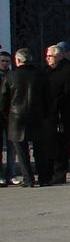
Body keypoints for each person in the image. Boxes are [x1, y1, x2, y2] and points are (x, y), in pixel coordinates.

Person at [0, 48, 52, 188]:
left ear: (17, 61)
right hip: (38, 116)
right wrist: (45, 114)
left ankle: (28, 179)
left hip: (17, 117)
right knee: (40, 150)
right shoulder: (41, 76)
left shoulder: (10, 77)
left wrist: (8, 115)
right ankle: (44, 178)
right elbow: (48, 99)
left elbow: (3, 101)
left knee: (21, 151)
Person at [45, 42, 70, 184]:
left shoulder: (69, 69)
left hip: (61, 112)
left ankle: (60, 174)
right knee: (49, 143)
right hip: (48, 113)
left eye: (50, 56)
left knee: (61, 144)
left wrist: (57, 103)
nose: (47, 59)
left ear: (59, 56)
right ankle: (48, 173)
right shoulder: (47, 70)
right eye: (47, 56)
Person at [0, 50, 14, 185]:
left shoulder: (12, 76)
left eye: (7, 61)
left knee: (12, 146)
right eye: (2, 61)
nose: (4, 64)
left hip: (11, 115)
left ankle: (11, 174)